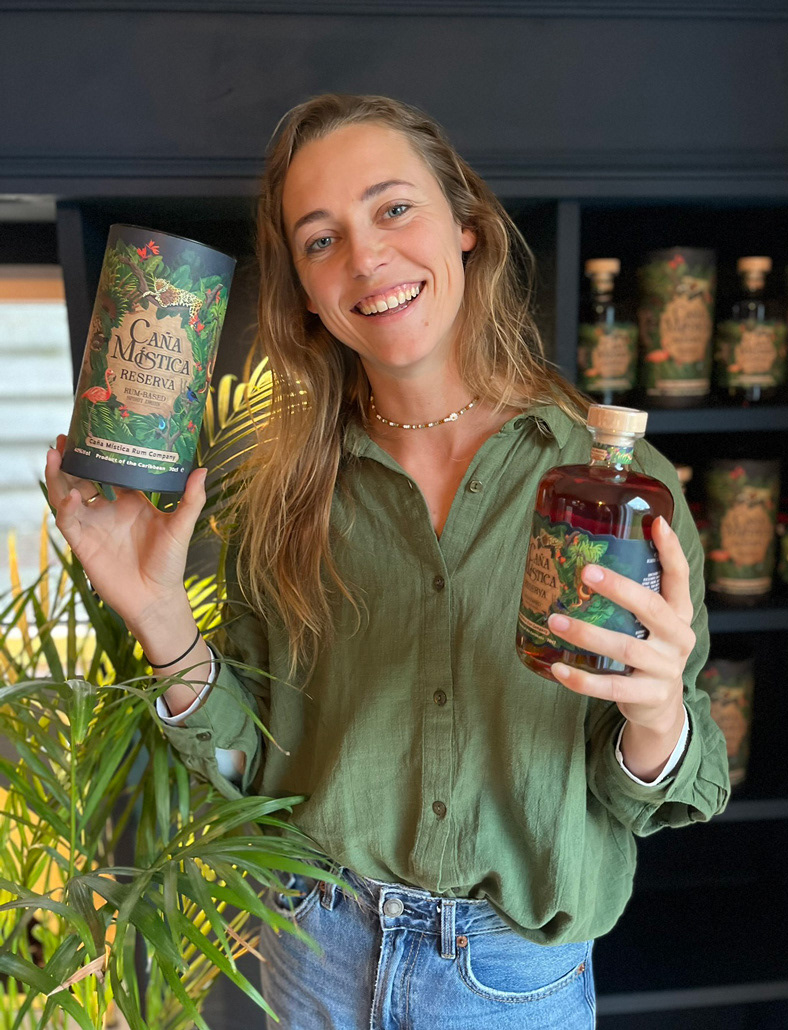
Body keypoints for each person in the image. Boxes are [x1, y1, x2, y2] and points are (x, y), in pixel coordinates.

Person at [45, 93, 729, 1029]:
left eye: (394, 209)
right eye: (321, 240)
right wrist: (156, 612)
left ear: (467, 226)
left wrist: (656, 715)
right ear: (306, 291)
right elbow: (250, 766)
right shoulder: (275, 487)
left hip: (509, 986)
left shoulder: (618, 491)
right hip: (309, 949)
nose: (365, 258)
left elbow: (656, 793)